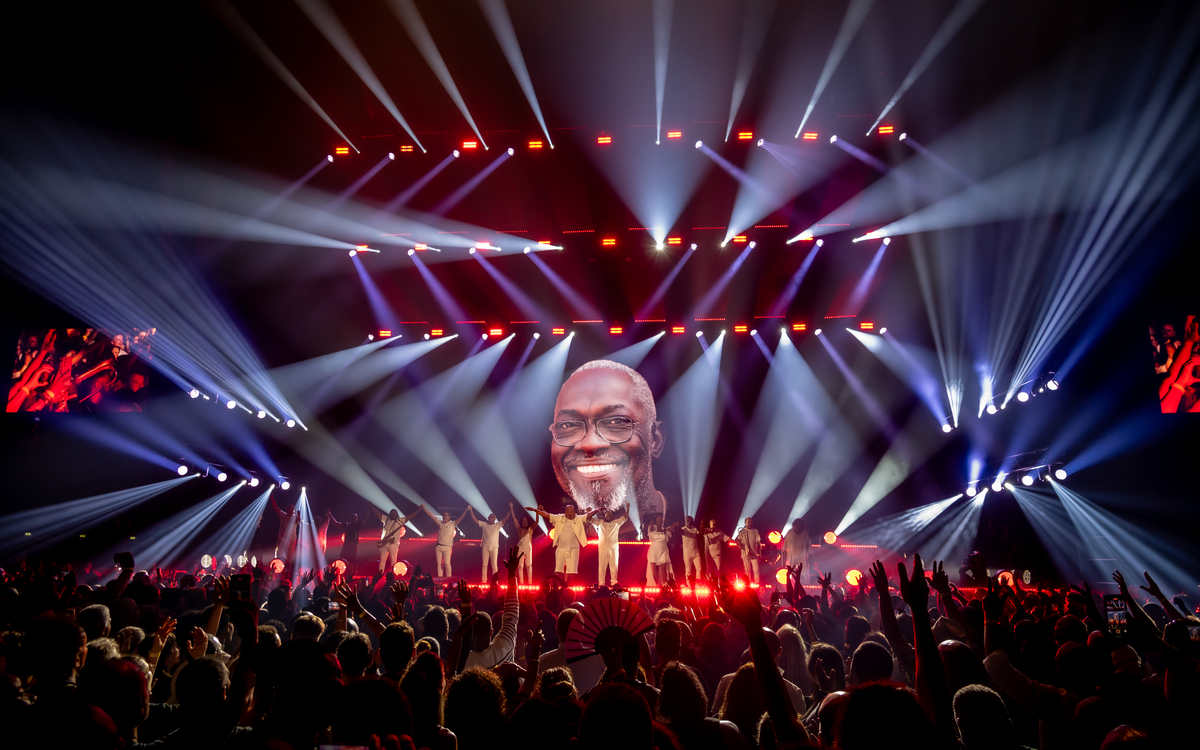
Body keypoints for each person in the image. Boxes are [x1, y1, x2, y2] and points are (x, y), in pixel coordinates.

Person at [549, 359, 669, 533]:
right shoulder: (543, 545)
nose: (590, 443)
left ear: (655, 439)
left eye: (616, 421)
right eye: (567, 425)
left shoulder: (692, 520)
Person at [526, 503, 588, 588]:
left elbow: (587, 516)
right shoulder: (559, 519)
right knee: (558, 571)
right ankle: (554, 588)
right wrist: (535, 510)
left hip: (573, 549)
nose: (572, 513)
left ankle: (570, 589)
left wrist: (595, 510)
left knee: (571, 571)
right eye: (570, 511)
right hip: (561, 549)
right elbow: (548, 516)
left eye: (573, 511)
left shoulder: (577, 519)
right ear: (565, 512)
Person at [586, 502, 629, 586]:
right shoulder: (601, 523)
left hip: (613, 548)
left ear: (612, 516)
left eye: (610, 515)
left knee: (614, 566)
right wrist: (588, 512)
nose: (608, 516)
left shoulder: (616, 523)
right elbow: (589, 520)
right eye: (607, 514)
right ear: (604, 516)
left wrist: (627, 508)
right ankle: (601, 583)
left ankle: (614, 583)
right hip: (603, 548)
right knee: (602, 566)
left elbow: (625, 517)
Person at [467, 506, 514, 583]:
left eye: (491, 517)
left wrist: (510, 509)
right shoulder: (484, 524)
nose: (490, 518)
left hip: (494, 547)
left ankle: (495, 581)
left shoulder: (497, 525)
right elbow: (475, 519)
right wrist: (471, 510)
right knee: (484, 564)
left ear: (494, 518)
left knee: (494, 564)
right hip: (485, 546)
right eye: (489, 517)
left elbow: (506, 518)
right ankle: (484, 580)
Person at [421, 505, 469, 577]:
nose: (444, 516)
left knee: (446, 563)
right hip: (438, 546)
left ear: (449, 517)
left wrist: (467, 509)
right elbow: (431, 515)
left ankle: (448, 578)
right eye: (443, 515)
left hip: (447, 546)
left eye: (445, 515)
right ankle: (440, 578)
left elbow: (461, 518)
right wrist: (424, 508)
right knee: (439, 563)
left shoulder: (452, 524)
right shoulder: (440, 523)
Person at [377, 507, 421, 574]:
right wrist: (371, 506)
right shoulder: (386, 519)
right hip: (384, 543)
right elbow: (378, 514)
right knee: (382, 560)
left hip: (393, 544)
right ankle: (380, 574)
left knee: (393, 560)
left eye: (394, 513)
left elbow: (410, 516)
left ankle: (392, 575)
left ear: (396, 514)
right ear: (390, 514)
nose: (393, 515)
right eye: (392, 513)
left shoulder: (400, 520)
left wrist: (418, 510)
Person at [268, 496, 300, 562]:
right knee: (279, 554)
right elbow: (276, 508)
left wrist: (299, 515)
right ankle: (278, 568)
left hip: (291, 540)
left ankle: (287, 570)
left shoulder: (295, 518)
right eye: (289, 509)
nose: (291, 511)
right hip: (282, 539)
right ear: (286, 510)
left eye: (292, 509)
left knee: (289, 556)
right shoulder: (283, 515)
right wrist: (273, 499)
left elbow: (299, 522)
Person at [510, 503, 536, 584]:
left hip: (528, 548)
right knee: (520, 566)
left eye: (526, 520)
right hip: (520, 548)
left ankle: (530, 582)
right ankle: (521, 582)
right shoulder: (519, 529)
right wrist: (511, 507)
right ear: (521, 522)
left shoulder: (530, 529)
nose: (524, 522)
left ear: (528, 522)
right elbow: (514, 518)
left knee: (529, 565)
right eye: (523, 520)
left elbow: (537, 522)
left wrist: (537, 511)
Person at [783, 519, 811, 584]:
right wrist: (785, 554)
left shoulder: (805, 534)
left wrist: (809, 555)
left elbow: (809, 544)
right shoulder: (790, 532)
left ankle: (802, 583)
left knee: (802, 570)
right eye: (797, 525)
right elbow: (785, 543)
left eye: (801, 526)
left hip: (802, 555)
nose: (799, 527)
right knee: (790, 569)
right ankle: (790, 583)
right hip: (792, 555)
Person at [736, 517, 762, 586]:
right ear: (745, 523)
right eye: (748, 522)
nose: (750, 524)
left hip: (754, 553)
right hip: (745, 553)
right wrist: (740, 544)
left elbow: (758, 542)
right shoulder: (742, 531)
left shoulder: (755, 531)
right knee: (747, 570)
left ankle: (757, 583)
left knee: (756, 569)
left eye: (751, 522)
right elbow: (738, 541)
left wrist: (760, 552)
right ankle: (748, 584)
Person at [647, 513, 671, 586]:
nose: (659, 520)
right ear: (656, 521)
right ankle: (656, 584)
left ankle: (664, 584)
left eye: (660, 519)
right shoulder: (653, 529)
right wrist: (651, 524)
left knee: (663, 567)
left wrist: (676, 524)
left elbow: (670, 529)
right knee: (654, 568)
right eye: (658, 519)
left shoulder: (665, 530)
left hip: (663, 550)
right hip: (654, 550)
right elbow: (650, 532)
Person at [677, 516, 703, 582]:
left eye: (690, 520)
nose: (688, 521)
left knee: (699, 568)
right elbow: (681, 531)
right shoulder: (683, 529)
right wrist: (677, 526)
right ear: (685, 521)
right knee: (688, 570)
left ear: (692, 521)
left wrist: (701, 525)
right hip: (687, 552)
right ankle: (689, 585)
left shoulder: (694, 529)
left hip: (696, 551)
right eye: (687, 520)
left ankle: (698, 583)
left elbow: (700, 534)